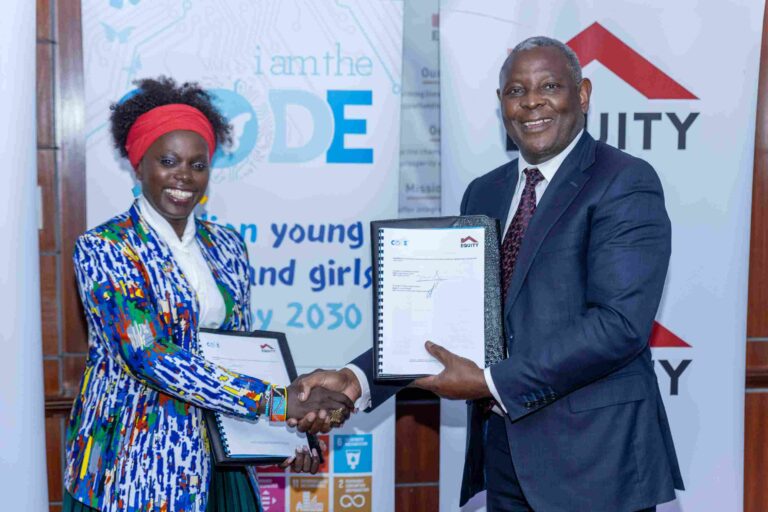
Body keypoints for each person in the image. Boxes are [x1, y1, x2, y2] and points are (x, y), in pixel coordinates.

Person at [291, 37, 684, 511]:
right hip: (506, 457)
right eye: (516, 90)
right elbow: (448, 317)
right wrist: (357, 379)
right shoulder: (485, 192)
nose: (532, 101)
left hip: (597, 461)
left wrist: (490, 382)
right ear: (501, 104)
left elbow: (618, 325)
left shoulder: (623, 181)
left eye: (550, 86)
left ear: (582, 94)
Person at [63, 77, 352, 512]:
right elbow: (151, 357)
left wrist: (291, 432)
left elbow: (244, 351)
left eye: (198, 165)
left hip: (221, 460)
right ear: (138, 164)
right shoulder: (106, 248)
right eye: (168, 160)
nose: (184, 175)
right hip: (133, 471)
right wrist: (275, 402)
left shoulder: (227, 245)